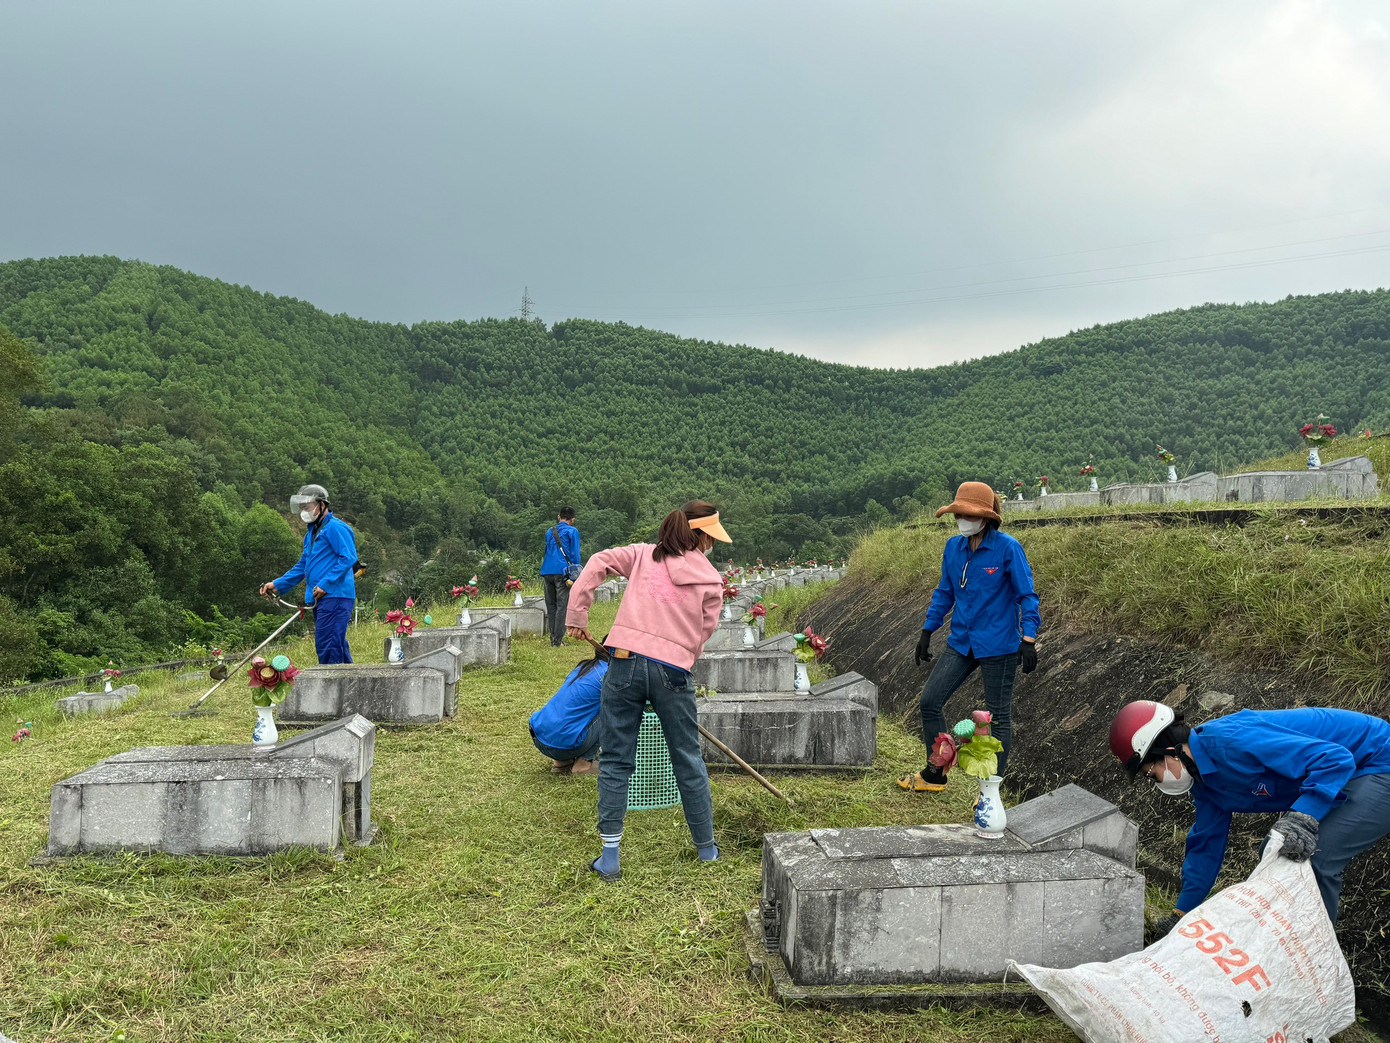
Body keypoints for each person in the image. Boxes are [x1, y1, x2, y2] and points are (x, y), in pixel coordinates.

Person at [1111, 700, 1390, 932]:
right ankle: (1292, 940)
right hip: (1346, 773)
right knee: (1275, 848)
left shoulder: (1232, 743)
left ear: (1170, 753)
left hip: (1376, 760)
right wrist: (1182, 913)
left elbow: (1333, 759)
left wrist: (1304, 816)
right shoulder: (1206, 782)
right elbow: (1206, 844)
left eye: (1151, 773)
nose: (1157, 782)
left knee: (1312, 856)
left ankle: (1316, 955)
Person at [565, 500, 730, 881]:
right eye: (712, 538)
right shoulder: (710, 580)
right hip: (674, 670)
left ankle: (609, 857)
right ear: (701, 535)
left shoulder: (641, 556)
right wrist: (682, 656)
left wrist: (578, 613)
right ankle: (706, 850)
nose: (713, 545)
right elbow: (704, 632)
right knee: (687, 757)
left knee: (617, 758)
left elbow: (597, 562)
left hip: (623, 661)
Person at [897, 481, 1039, 793]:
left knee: (997, 717)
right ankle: (935, 773)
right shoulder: (953, 548)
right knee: (930, 701)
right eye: (958, 513)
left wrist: (1028, 639)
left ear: (986, 517)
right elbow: (944, 592)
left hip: (999, 644)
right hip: (962, 640)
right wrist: (927, 630)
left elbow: (1027, 595)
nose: (962, 519)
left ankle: (990, 792)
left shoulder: (1007, 549)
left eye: (968, 514)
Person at [258, 484, 359, 665]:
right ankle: (348, 688)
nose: (304, 511)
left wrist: (326, 583)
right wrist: (278, 584)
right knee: (335, 645)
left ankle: (331, 687)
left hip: (335, 595)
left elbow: (348, 558)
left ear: (322, 505)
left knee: (328, 645)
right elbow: (303, 566)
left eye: (308, 506)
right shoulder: (311, 535)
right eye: (302, 507)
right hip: (319, 597)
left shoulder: (336, 528)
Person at [528, 644, 610, 775]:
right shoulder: (610, 675)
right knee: (611, 711)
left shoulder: (584, 667)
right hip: (565, 746)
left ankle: (561, 763)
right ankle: (583, 764)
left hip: (539, 736)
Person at [541, 507, 582, 647]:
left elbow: (547, 550)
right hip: (563, 572)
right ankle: (557, 641)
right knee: (562, 605)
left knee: (550, 605)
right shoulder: (572, 531)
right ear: (572, 520)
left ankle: (553, 637)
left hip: (547, 570)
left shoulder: (549, 531)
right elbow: (575, 554)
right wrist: (576, 573)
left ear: (559, 517)